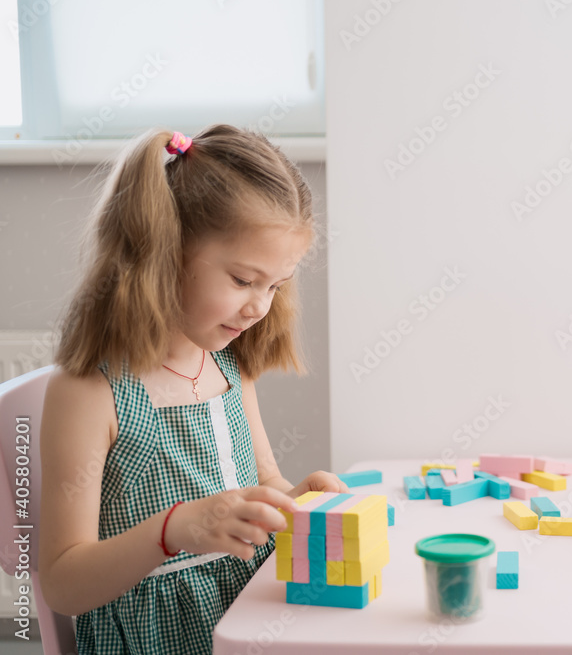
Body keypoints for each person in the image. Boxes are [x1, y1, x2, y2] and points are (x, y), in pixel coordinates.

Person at [39, 126, 348, 654]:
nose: (259, 307)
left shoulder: (228, 369)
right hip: (155, 635)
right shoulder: (90, 392)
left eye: (275, 285)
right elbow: (64, 583)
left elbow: (263, 480)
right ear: (165, 254)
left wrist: (296, 502)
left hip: (247, 610)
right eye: (243, 280)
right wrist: (174, 529)